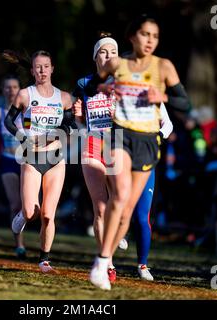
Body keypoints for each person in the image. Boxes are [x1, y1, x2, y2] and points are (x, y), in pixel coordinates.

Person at [86, 14, 190, 290]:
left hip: (146, 142)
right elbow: (91, 86)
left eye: (155, 36)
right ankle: (103, 262)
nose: (150, 41)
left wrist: (162, 97)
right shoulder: (117, 63)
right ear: (132, 36)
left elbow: (185, 103)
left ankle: (108, 258)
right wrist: (105, 87)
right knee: (119, 197)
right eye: (145, 34)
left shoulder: (164, 67)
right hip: (120, 138)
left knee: (129, 209)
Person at [73, 33, 173, 284]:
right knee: (101, 207)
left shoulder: (130, 80)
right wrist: (77, 118)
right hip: (94, 145)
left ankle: (134, 253)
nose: (108, 56)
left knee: (128, 208)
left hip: (124, 147)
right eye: (103, 52)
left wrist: (151, 138)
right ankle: (107, 263)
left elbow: (165, 122)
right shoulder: (84, 84)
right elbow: (79, 122)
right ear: (95, 57)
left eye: (113, 52)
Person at [4, 50, 75, 273]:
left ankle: (44, 260)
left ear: (52, 68)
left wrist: (52, 139)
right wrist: (23, 137)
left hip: (55, 158)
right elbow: (8, 121)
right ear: (32, 70)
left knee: (47, 214)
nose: (42, 70)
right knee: (30, 211)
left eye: (46, 66)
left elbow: (69, 126)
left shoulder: (64, 98)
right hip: (31, 156)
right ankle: (22, 216)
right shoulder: (25, 94)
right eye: (38, 67)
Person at [0, 75, 27, 259]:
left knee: (32, 207)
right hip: (8, 160)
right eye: (7, 87)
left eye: (15, 87)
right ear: (3, 90)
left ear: (19, 89)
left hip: (27, 161)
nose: (11, 90)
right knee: (15, 204)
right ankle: (20, 245)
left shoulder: (26, 111)